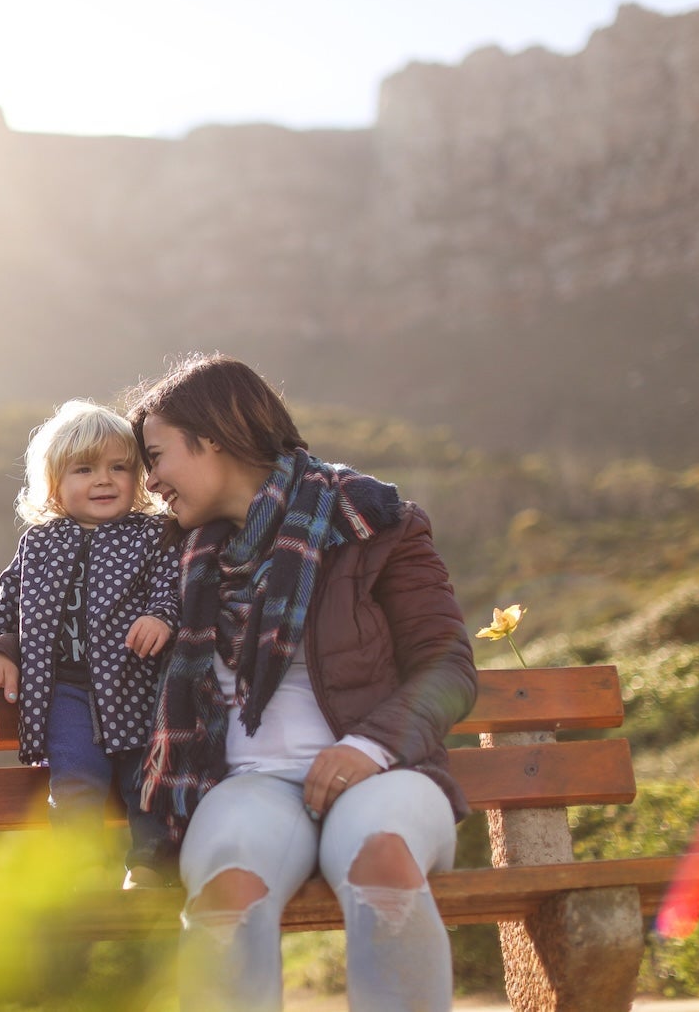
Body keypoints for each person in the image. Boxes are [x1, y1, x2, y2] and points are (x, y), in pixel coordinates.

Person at [126, 355, 477, 1012]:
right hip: (248, 784)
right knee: (226, 894)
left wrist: (367, 747)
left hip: (386, 772)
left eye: (157, 455)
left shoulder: (373, 520)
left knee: (383, 865)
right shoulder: (170, 553)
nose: (152, 481)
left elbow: (449, 664)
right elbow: (62, 601)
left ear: (213, 439)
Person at [0, 400, 182, 888]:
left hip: (136, 681)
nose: (104, 480)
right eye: (84, 469)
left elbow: (172, 582)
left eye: (119, 468)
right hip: (64, 690)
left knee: (146, 781)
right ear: (54, 484)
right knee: (74, 781)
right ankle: (84, 867)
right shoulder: (40, 542)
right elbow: (6, 603)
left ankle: (150, 866)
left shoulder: (153, 535)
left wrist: (162, 616)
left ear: (139, 479)